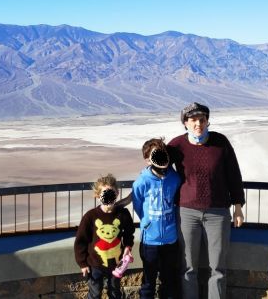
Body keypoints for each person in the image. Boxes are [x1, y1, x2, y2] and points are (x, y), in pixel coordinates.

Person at [168, 102, 245, 299]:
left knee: (218, 268)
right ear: (185, 123)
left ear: (207, 121)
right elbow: (158, 166)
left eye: (202, 120)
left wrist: (238, 206)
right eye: (193, 120)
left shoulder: (220, 143)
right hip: (186, 212)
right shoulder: (176, 145)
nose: (198, 124)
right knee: (188, 267)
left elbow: (233, 175)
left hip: (217, 212)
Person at [132, 137, 182, 299]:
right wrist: (146, 221)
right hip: (150, 241)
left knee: (169, 280)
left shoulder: (174, 179)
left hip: (170, 239)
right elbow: (138, 203)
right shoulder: (142, 181)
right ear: (148, 160)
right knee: (148, 282)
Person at [74, 174, 135, 299]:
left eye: (111, 194)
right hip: (95, 265)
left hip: (116, 264)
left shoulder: (123, 214)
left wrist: (128, 246)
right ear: (97, 196)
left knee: (115, 293)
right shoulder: (90, 217)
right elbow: (81, 241)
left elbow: (129, 232)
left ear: (117, 194)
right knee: (95, 294)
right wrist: (83, 263)